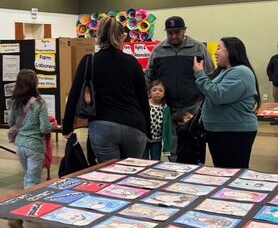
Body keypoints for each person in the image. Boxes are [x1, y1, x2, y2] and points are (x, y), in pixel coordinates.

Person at [61, 16, 149, 164]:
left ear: (98, 35)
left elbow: (74, 94)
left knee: (111, 175)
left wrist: (67, 127)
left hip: (103, 125)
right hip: (134, 127)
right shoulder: (132, 62)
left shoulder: (89, 60)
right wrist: (148, 129)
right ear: (121, 37)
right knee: (132, 174)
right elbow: (142, 98)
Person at [145, 16, 211, 164]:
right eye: (170, 33)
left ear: (184, 31)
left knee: (195, 141)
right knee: (172, 145)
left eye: (177, 32)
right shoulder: (158, 51)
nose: (173, 36)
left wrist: (205, 99)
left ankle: (197, 169)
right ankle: (176, 170)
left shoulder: (198, 48)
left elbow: (210, 74)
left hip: (193, 106)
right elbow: (149, 77)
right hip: (169, 108)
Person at [194, 36, 260, 170]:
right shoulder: (224, 71)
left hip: (234, 132)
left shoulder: (241, 72)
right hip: (220, 131)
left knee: (233, 173)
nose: (215, 52)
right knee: (222, 172)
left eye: (220, 48)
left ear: (231, 52)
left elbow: (219, 95)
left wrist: (200, 74)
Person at [5, 70, 53, 228]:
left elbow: (11, 122)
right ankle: (18, 215)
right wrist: (54, 126)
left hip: (20, 146)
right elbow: (44, 128)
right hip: (35, 147)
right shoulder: (40, 103)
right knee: (32, 181)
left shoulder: (15, 102)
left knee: (28, 178)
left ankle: (31, 211)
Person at [144, 80, 174, 161]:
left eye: (160, 90)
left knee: (155, 160)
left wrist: (167, 144)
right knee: (143, 160)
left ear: (164, 94)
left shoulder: (165, 108)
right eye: (154, 90)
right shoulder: (145, 105)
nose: (157, 92)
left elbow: (168, 127)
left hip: (157, 141)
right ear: (149, 92)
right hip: (144, 139)